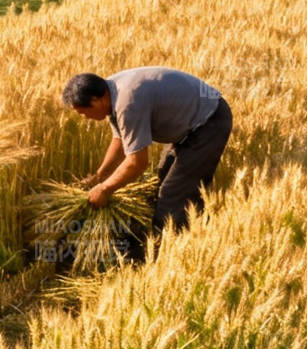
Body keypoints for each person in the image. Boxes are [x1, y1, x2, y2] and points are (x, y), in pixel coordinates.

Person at [62, 66, 233, 240]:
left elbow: (137, 163)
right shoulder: (109, 91)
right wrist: (99, 176)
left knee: (171, 196)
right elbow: (121, 142)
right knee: (162, 182)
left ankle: (171, 249)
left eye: (83, 112)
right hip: (188, 125)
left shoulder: (127, 102)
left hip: (209, 122)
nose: (85, 117)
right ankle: (201, 231)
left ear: (96, 100)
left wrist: (105, 189)